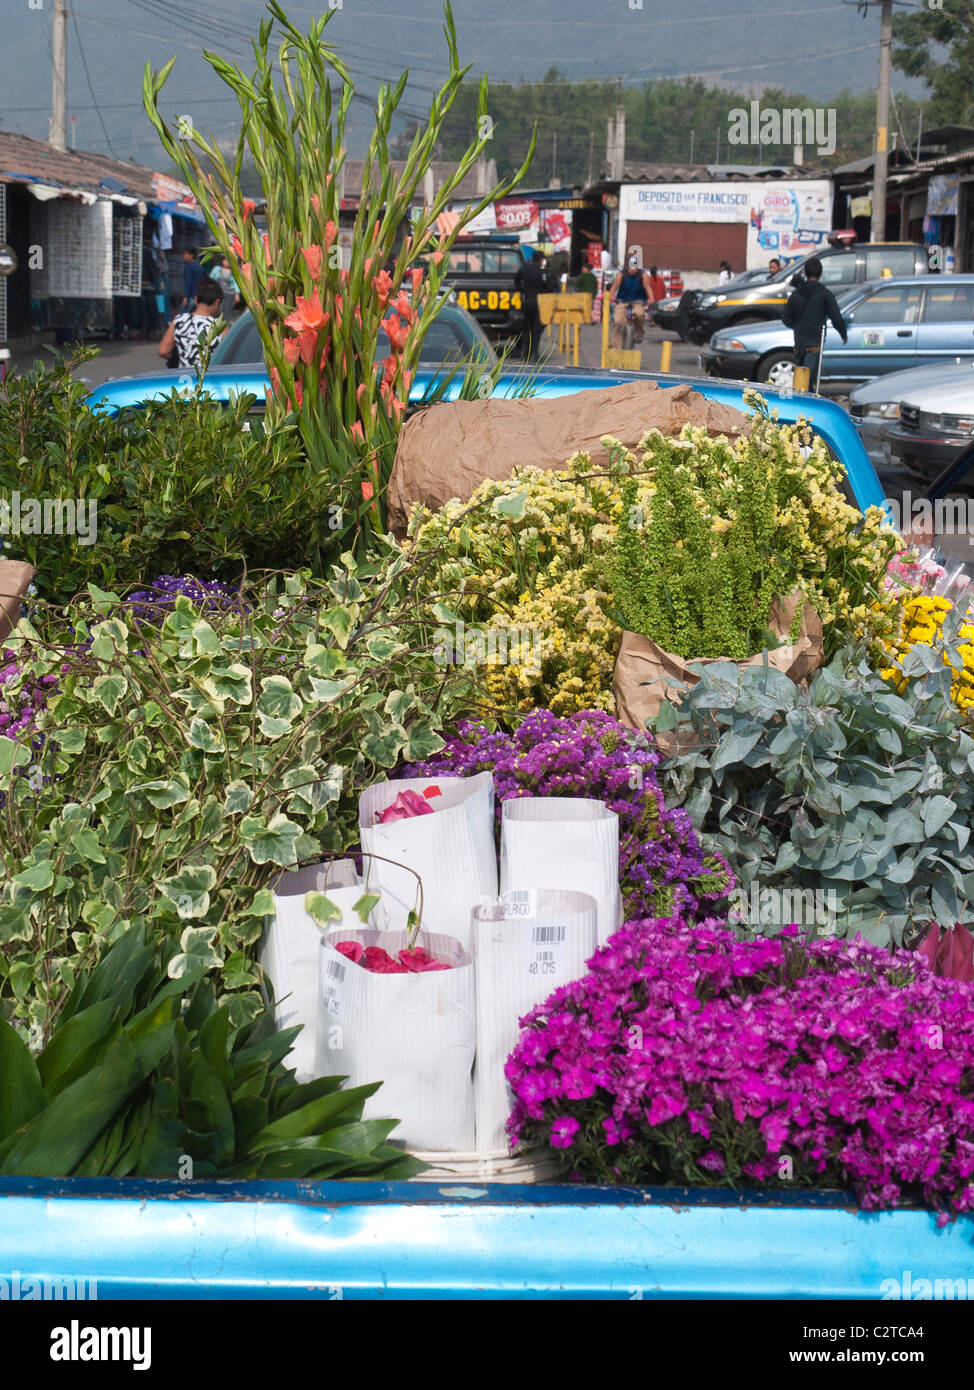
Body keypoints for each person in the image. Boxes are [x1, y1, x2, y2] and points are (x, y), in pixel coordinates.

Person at [782, 256, 848, 375]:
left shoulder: (796, 294)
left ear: (806, 273)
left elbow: (786, 318)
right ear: (820, 273)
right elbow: (836, 318)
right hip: (815, 343)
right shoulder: (825, 294)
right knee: (809, 379)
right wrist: (843, 334)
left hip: (799, 342)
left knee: (800, 379)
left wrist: (797, 326)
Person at [158, 277, 224, 371]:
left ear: (196, 300)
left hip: (183, 378)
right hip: (208, 378)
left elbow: (163, 351)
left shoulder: (179, 320)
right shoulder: (219, 326)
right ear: (217, 302)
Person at [514, 248, 551, 362]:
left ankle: (525, 353)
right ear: (540, 260)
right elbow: (549, 286)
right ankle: (534, 354)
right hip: (539, 302)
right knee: (536, 329)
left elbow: (516, 280)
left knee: (526, 328)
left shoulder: (524, 269)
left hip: (527, 301)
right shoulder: (543, 272)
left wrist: (522, 290)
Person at [609, 251, 652, 348]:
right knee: (617, 321)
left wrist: (651, 298)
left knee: (639, 314)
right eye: (631, 267)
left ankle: (639, 332)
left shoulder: (643, 275)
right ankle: (616, 346)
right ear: (627, 267)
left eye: (636, 267)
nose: (633, 270)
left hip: (638, 301)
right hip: (623, 300)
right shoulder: (621, 275)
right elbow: (615, 286)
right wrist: (611, 295)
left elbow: (648, 287)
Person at [211, 256, 240, 323]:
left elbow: (235, 283)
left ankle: (226, 325)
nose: (227, 263)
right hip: (219, 293)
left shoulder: (233, 272)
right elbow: (212, 279)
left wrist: (237, 294)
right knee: (219, 309)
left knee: (227, 309)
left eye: (228, 261)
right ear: (222, 261)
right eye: (225, 260)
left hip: (229, 294)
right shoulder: (217, 269)